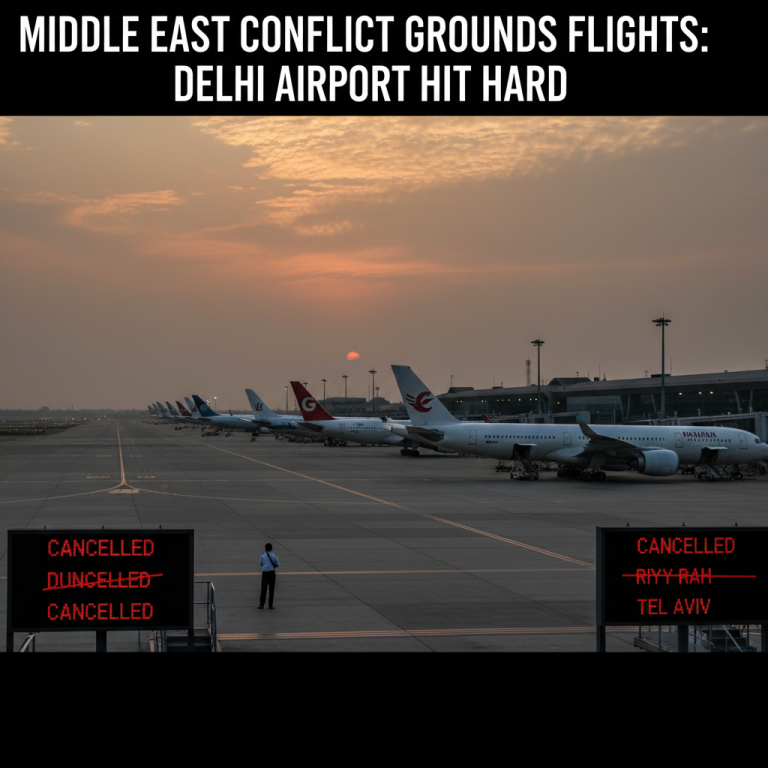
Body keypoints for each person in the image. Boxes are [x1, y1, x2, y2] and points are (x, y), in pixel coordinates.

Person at [258, 543, 280, 609]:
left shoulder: (262, 556)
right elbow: (277, 564)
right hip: (272, 573)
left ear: (265, 548)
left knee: (263, 589)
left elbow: (260, 563)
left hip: (265, 573)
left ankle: (261, 605)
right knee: (271, 589)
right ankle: (270, 605)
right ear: (271, 549)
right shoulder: (274, 555)